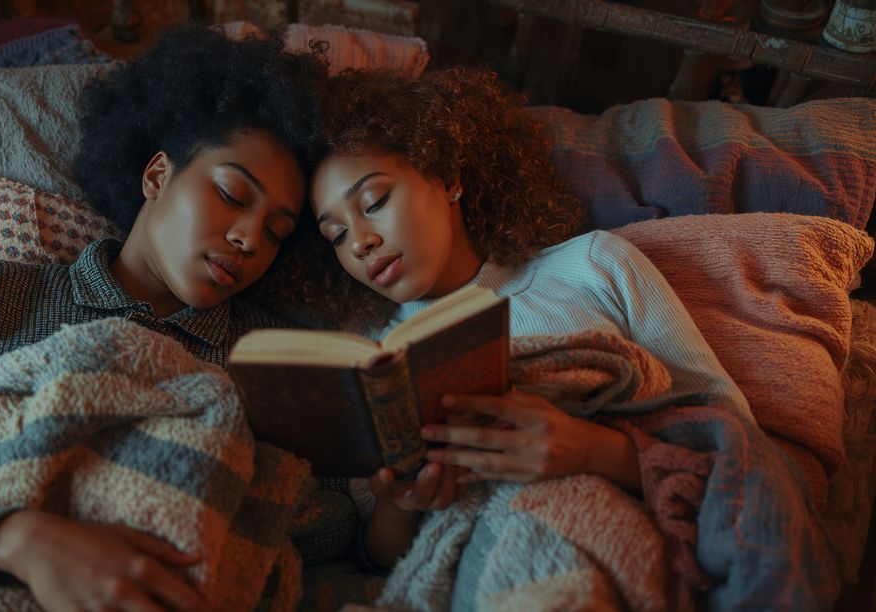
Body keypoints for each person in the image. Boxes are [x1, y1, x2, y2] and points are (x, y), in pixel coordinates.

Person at [0, 23, 326, 612]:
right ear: (157, 175)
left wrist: (396, 513)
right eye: (231, 194)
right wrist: (23, 541)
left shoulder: (264, 359)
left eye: (277, 232)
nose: (249, 237)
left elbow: (309, 529)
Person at [288, 66, 753, 569]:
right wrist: (399, 506)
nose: (359, 243)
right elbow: (381, 560)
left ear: (448, 177)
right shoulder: (372, 354)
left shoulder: (595, 266)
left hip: (612, 550)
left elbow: (740, 454)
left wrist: (591, 451)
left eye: (374, 201)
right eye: (335, 234)